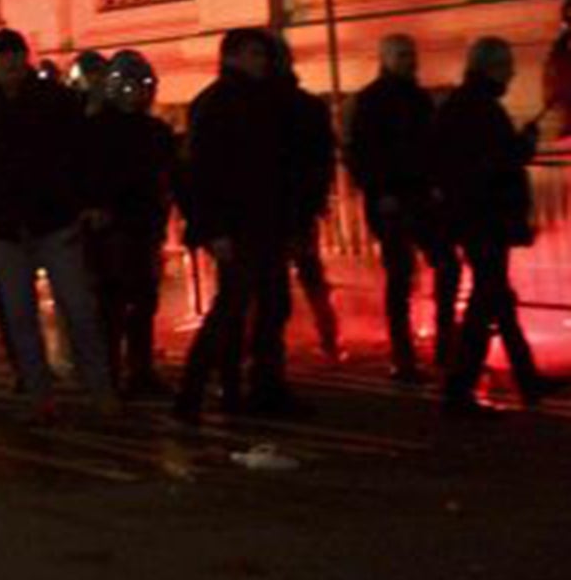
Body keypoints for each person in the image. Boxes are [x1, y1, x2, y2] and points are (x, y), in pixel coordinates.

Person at [0, 28, 114, 419]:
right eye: (3, 58)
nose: (10, 65)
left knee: (78, 308)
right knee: (21, 316)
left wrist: (90, 199)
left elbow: (82, 154)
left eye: (15, 56)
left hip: (53, 220)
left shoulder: (55, 100)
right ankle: (41, 395)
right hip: (5, 227)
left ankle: (98, 386)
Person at [433, 37, 567, 414]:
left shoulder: (466, 106)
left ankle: (526, 379)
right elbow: (494, 165)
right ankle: (459, 390)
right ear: (491, 68)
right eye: (507, 67)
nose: (510, 74)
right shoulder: (480, 110)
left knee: (498, 300)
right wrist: (521, 146)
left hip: (475, 218)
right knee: (486, 301)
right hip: (483, 219)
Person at [176, 29, 297, 421]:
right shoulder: (216, 104)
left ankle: (260, 388)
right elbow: (201, 173)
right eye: (253, 55)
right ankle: (194, 393)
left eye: (263, 55)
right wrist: (213, 229)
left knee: (270, 305)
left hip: (263, 220)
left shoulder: (259, 100)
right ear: (233, 58)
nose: (261, 62)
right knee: (231, 308)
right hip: (237, 223)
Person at [345, 34, 457, 379]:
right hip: (393, 200)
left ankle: (440, 343)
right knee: (401, 275)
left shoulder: (417, 98)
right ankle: (405, 355)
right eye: (402, 55)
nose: (410, 60)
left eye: (411, 53)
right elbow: (360, 153)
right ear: (385, 59)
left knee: (443, 264)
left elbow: (432, 147)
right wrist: (380, 192)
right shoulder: (371, 101)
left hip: (417, 196)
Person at [83, 51, 177, 396]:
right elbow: (83, 177)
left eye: (142, 86)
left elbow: (168, 176)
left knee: (142, 301)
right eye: (128, 86)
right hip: (109, 229)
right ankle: (109, 374)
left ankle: (139, 371)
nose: (135, 93)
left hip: (144, 226)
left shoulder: (155, 131)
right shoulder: (95, 130)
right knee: (111, 304)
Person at [275, 38, 343, 363]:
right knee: (310, 277)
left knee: (269, 284)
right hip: (298, 208)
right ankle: (328, 339)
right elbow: (324, 156)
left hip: (277, 210)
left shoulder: (260, 107)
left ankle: (255, 350)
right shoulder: (308, 107)